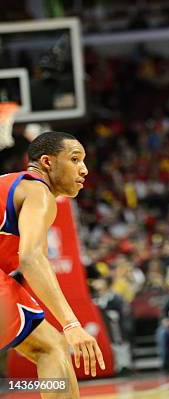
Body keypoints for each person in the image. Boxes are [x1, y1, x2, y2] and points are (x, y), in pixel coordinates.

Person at [0, 131, 105, 396]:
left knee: (48, 346)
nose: (84, 169)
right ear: (47, 162)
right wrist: (71, 325)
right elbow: (32, 258)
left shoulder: (13, 186)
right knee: (52, 347)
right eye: (75, 159)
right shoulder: (38, 191)